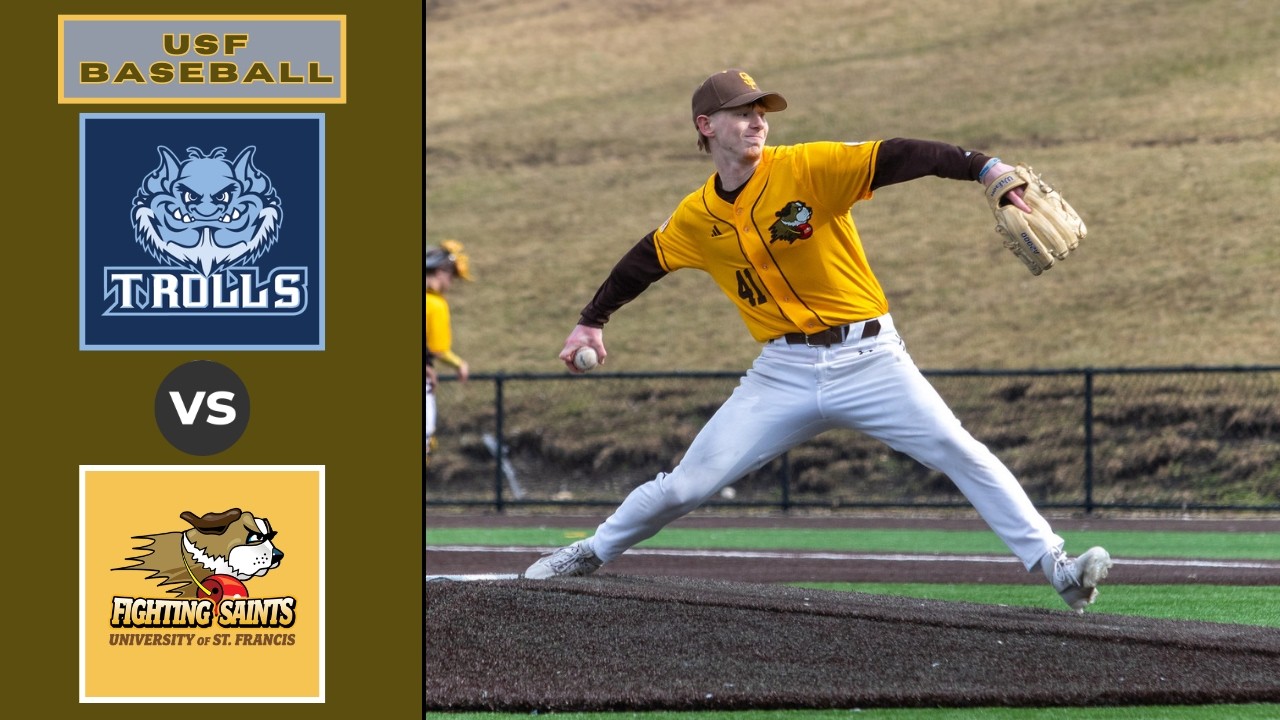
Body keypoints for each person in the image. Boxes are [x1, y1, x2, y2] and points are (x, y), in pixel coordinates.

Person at [524, 69, 1113, 612]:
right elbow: (644, 260)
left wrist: (984, 167)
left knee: (957, 449)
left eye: (761, 112)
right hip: (782, 372)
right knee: (686, 486)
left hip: (872, 359)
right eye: (741, 113)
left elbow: (899, 154)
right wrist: (592, 320)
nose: (757, 122)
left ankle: (1058, 567)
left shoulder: (808, 167)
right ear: (706, 126)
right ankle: (591, 551)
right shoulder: (697, 217)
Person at [425, 239, 472, 459]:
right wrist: (459, 364)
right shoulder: (435, 304)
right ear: (440, 271)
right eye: (451, 276)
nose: (451, 282)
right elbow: (438, 349)